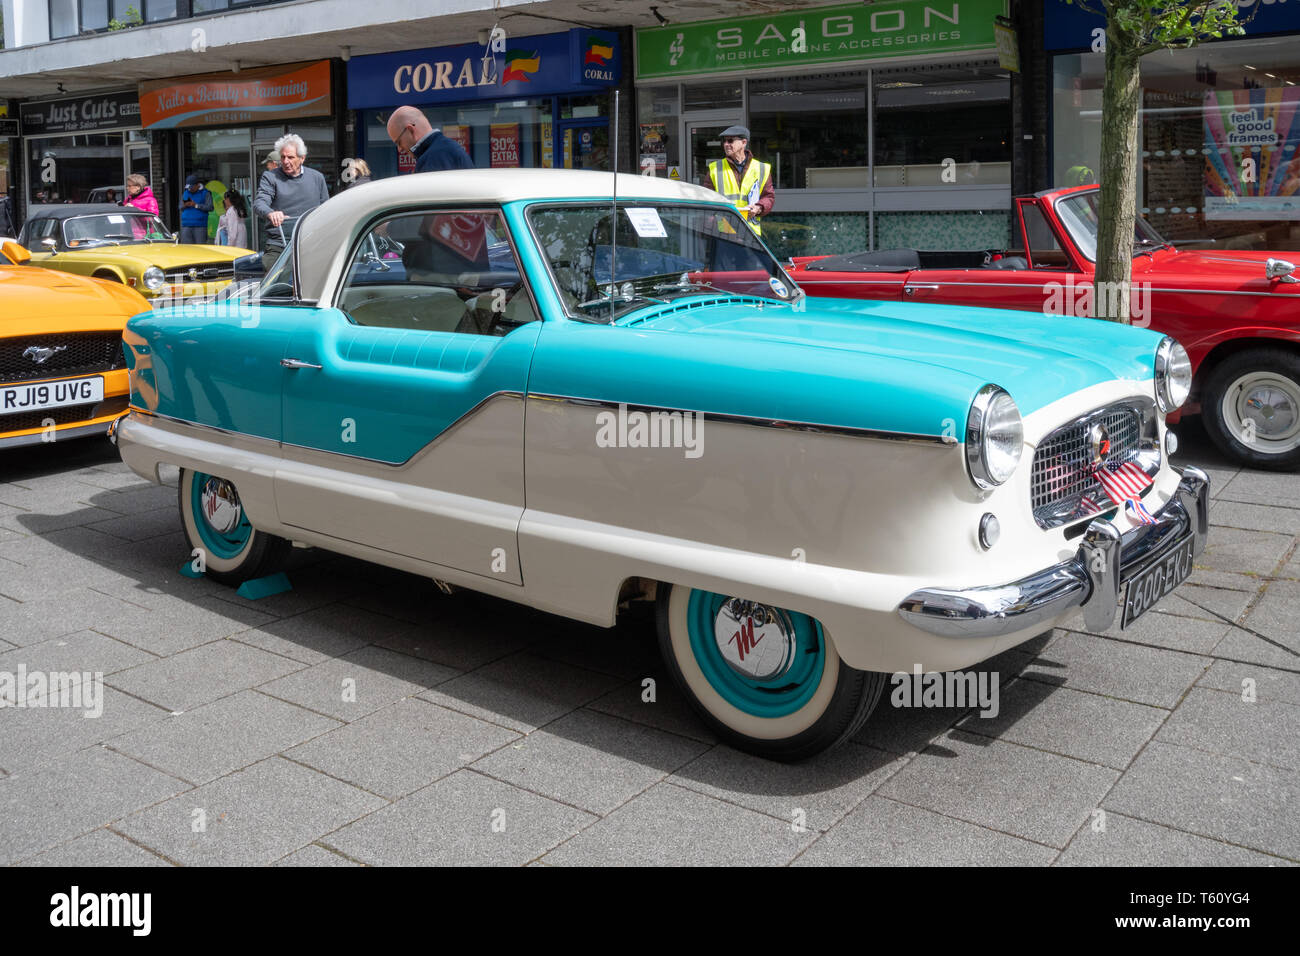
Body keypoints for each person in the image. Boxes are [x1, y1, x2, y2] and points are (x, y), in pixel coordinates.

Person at [253, 132, 330, 271]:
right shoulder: (270, 177)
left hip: (310, 242)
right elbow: (259, 203)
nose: (285, 161)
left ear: (302, 158)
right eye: (283, 157)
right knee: (274, 283)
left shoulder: (317, 178)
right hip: (279, 244)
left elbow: (326, 210)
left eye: (290, 157)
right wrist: (271, 213)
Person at [707, 125, 774, 235]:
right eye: (724, 141)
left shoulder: (762, 168)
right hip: (724, 232)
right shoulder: (715, 168)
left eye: (730, 141)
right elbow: (707, 197)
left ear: (744, 142)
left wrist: (759, 207)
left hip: (751, 232)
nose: (726, 144)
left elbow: (768, 196)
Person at [386, 106, 474, 172]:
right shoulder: (445, 149)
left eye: (398, 142)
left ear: (411, 130)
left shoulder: (434, 159)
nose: (399, 149)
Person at [179, 174, 214, 245]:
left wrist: (196, 205)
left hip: (200, 226)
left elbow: (210, 207)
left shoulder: (205, 193)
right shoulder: (186, 193)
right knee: (187, 249)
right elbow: (180, 206)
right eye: (188, 187)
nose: (190, 189)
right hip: (186, 225)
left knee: (200, 248)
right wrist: (185, 205)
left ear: (198, 185)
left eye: (192, 187)